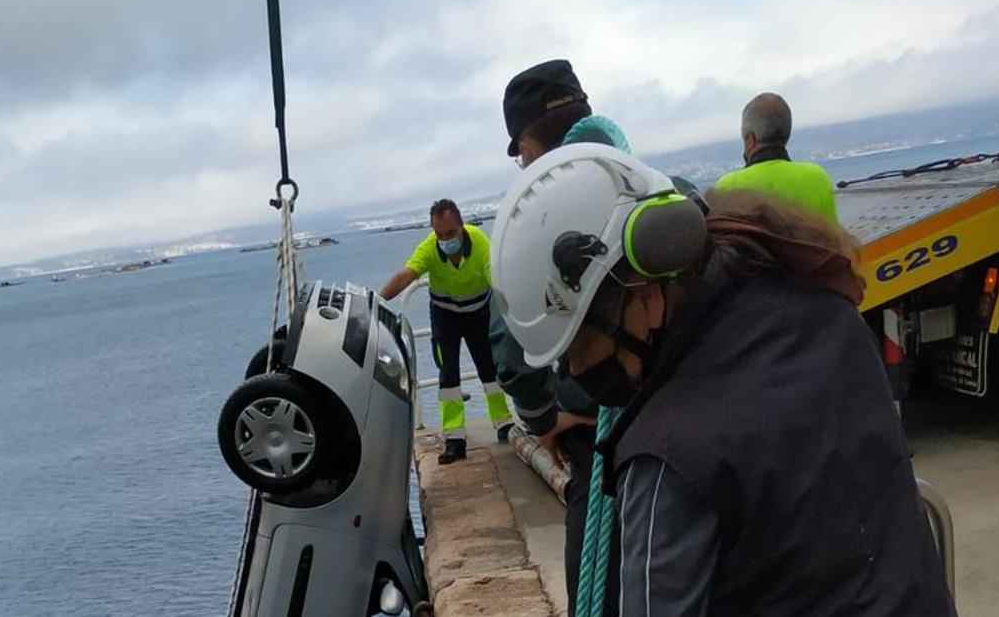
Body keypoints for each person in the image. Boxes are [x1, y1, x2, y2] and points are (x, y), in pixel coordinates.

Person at [490, 144, 957, 615]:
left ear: (646, 299)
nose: (573, 372)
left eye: (577, 348)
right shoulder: (829, 314)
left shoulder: (667, 457)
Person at [496, 59, 630, 615]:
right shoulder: (656, 190)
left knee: (599, 589)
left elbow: (511, 353)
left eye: (519, 146)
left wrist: (545, 418)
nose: (521, 160)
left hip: (599, 460)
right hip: (688, 455)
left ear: (530, 140)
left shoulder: (530, 228)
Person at [379, 199, 513, 464]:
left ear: (462, 226)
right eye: (439, 234)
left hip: (478, 312)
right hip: (445, 315)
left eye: (450, 233)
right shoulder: (429, 248)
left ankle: (504, 423)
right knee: (448, 374)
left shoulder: (480, 242)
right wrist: (378, 303)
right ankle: (454, 438)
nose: (445, 239)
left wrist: (514, 307)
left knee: (489, 368)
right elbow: (407, 275)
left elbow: (495, 278)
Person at [715, 92, 839, 223]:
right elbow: (836, 237)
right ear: (787, 134)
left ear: (750, 140)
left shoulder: (728, 187)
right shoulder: (817, 177)